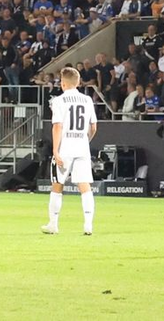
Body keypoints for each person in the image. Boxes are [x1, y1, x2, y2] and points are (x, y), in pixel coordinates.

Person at [41, 66, 97, 236]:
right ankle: (88, 225)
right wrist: (85, 141)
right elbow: (93, 126)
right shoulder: (87, 100)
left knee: (57, 185)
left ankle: (53, 224)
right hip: (82, 146)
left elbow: (57, 126)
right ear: (78, 82)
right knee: (85, 186)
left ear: (63, 84)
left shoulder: (58, 101)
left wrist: (55, 151)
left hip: (65, 146)